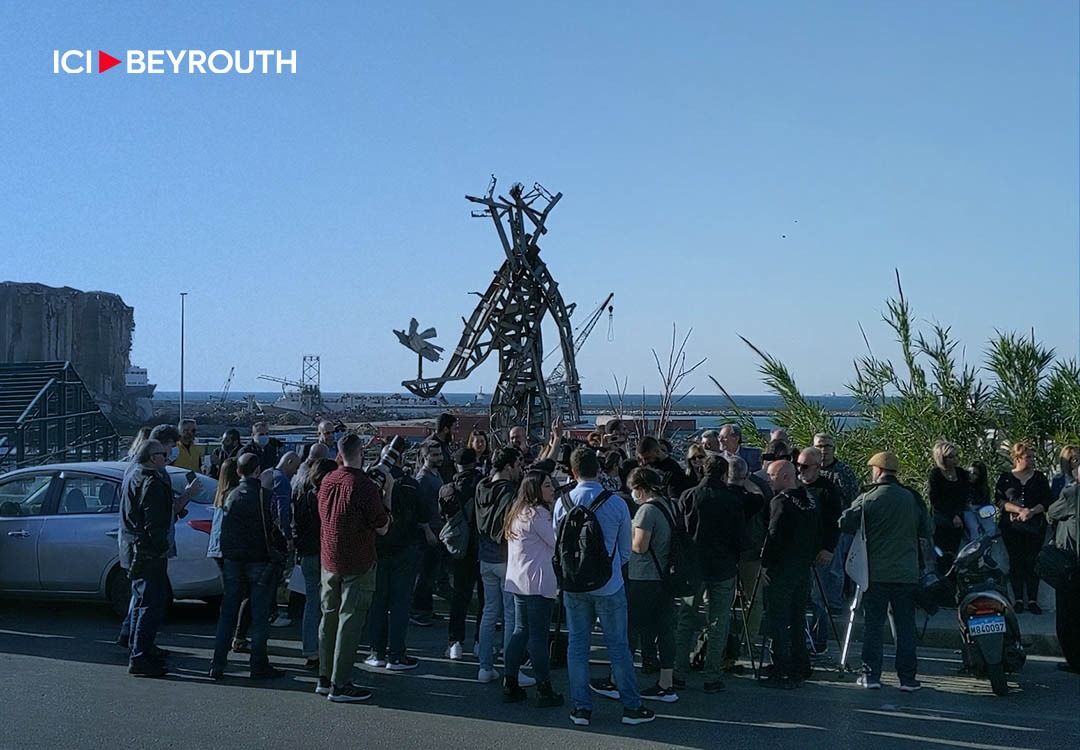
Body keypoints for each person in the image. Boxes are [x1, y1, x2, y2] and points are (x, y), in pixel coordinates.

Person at [555, 448, 654, 727]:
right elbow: (625, 551)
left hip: (574, 583)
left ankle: (581, 707)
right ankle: (631, 707)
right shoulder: (616, 503)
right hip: (608, 584)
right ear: (598, 469)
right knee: (618, 646)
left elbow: (557, 543)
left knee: (577, 645)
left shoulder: (562, 502)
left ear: (573, 472)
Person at [840, 451, 932, 691]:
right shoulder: (911, 498)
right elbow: (926, 529)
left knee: (873, 626)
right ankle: (908, 678)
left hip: (876, 574)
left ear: (878, 471)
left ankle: (871, 676)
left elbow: (845, 522)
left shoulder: (869, 497)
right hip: (906, 574)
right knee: (904, 627)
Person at [315, 434, 391, 703]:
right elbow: (382, 526)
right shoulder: (364, 486)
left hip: (329, 559)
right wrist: (387, 491)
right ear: (360, 452)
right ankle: (341, 683)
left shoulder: (327, 480)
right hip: (357, 561)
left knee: (329, 618)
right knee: (350, 621)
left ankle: (325, 677)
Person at [208, 452, 287, 680]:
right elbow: (273, 529)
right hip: (259, 560)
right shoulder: (264, 496)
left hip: (233, 560)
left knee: (228, 613)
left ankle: (218, 663)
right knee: (260, 615)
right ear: (257, 471)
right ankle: (258, 664)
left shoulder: (229, 495)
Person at [673, 454, 744, 693]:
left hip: (693, 567)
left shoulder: (689, 496)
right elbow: (738, 537)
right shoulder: (732, 499)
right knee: (718, 621)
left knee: (686, 619)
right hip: (723, 566)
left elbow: (679, 532)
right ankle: (712, 675)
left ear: (703, 471)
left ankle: (678, 672)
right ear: (725, 474)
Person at [501, 469, 564, 707]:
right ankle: (543, 687)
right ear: (536, 490)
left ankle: (510, 681)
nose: (552, 489)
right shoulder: (538, 514)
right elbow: (555, 541)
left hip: (518, 579)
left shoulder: (518, 512)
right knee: (538, 636)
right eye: (547, 485)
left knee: (520, 631)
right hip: (537, 580)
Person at [366, 438, 425, 671]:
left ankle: (376, 651)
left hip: (378, 548)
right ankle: (397, 654)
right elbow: (423, 515)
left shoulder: (371, 483)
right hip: (406, 547)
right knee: (400, 604)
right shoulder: (410, 484)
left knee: (378, 602)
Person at [761, 460, 820, 688]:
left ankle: (781, 668)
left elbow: (773, 536)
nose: (769, 479)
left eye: (772, 475)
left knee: (778, 619)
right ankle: (800, 664)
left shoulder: (781, 502)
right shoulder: (810, 500)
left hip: (782, 568)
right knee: (796, 618)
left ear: (786, 477)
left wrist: (764, 564)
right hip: (803, 567)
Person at [119, 439, 174, 677]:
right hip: (148, 551)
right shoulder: (151, 483)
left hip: (137, 548)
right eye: (162, 453)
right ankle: (140, 656)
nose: (166, 456)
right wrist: (161, 546)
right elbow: (155, 524)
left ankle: (140, 649)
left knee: (143, 601)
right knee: (149, 604)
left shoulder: (135, 477)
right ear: (153, 457)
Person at [626, 467, 681, 703]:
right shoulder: (669, 504)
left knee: (631, 628)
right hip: (665, 577)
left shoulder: (646, 511)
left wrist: (624, 533)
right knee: (665, 629)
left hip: (645, 576)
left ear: (640, 488)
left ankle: (621, 678)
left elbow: (640, 546)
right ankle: (666, 683)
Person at [473, 446, 527, 684]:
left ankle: (485, 667)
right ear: (508, 466)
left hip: (485, 556)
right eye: (517, 465)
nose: (520, 469)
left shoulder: (481, 487)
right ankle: (511, 670)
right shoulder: (510, 492)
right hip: (506, 558)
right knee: (510, 616)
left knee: (489, 611)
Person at [995, 442, 1052, 614]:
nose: (1031, 460)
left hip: (1034, 526)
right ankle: (1018, 599)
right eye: (1028, 457)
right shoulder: (1006, 477)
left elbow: (1047, 500)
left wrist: (1032, 511)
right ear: (1017, 458)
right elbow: (999, 501)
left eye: (1032, 457)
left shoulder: (1039, 477)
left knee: (1033, 561)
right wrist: (1018, 509)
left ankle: (1033, 600)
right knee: (1016, 561)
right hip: (1012, 526)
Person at [293, 457, 338, 670]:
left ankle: (311, 650)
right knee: (328, 604)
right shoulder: (327, 497)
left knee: (311, 603)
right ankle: (327, 649)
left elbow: (296, 527)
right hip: (324, 553)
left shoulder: (303, 497)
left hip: (307, 554)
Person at [798, 447, 843, 657]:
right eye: (798, 465)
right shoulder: (795, 486)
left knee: (818, 599)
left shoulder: (828, 489)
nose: (801, 470)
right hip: (798, 552)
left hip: (819, 552)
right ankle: (799, 638)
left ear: (817, 467)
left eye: (805, 466)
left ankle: (819, 641)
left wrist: (828, 548)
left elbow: (835, 522)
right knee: (799, 597)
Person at [440, 447, 485, 660]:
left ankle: (455, 642)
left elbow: (443, 515)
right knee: (485, 599)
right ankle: (479, 642)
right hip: (482, 546)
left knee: (460, 596)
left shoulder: (447, 490)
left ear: (456, 465)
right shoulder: (483, 485)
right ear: (474, 462)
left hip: (459, 548)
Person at [207, 458, 252, 655]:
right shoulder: (236, 496)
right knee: (243, 594)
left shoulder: (220, 494)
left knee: (232, 595)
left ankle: (229, 638)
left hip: (217, 549)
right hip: (231, 550)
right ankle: (239, 636)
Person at [726, 456, 767, 667]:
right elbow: (759, 496)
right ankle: (748, 639)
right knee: (754, 599)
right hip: (750, 553)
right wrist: (749, 481)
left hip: (724, 555)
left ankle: (720, 638)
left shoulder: (721, 497)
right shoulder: (752, 498)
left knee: (719, 600)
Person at [1046, 476, 1080, 672]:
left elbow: (1052, 511)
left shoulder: (1072, 493)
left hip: (1070, 563)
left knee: (1068, 618)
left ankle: (1075, 661)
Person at [410, 442, 445, 628]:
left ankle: (427, 608)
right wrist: (427, 531)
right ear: (425, 457)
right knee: (424, 573)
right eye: (434, 455)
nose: (439, 457)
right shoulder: (423, 479)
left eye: (439, 454)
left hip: (437, 529)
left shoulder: (436, 474)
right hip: (428, 532)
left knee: (431, 573)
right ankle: (418, 610)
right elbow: (420, 509)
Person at [928, 440, 969, 560]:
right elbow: (935, 499)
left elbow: (964, 494)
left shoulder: (961, 473)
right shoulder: (936, 474)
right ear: (942, 458)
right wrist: (952, 515)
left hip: (959, 514)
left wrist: (957, 513)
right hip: (942, 515)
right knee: (942, 551)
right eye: (951, 456)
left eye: (956, 455)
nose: (955, 459)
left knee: (956, 550)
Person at [813, 433, 859, 508]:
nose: (823, 450)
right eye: (819, 446)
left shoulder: (844, 471)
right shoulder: (808, 469)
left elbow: (853, 499)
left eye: (827, 446)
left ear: (833, 449)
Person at [422, 413, 457, 484]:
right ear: (446, 429)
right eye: (453, 429)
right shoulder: (429, 445)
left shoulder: (445, 444)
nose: (455, 432)